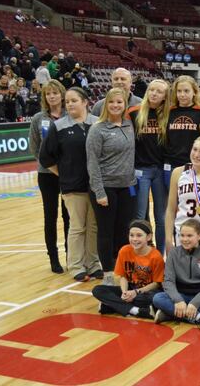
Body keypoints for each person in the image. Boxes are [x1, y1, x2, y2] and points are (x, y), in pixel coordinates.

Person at [39, 87, 102, 282]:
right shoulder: (58, 127)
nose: (70, 104)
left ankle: (93, 263)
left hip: (96, 186)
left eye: (74, 100)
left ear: (85, 102)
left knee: (93, 226)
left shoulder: (98, 124)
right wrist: (64, 174)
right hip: (73, 186)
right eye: (67, 101)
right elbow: (45, 157)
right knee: (77, 227)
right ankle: (76, 266)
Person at [87, 87, 136, 285]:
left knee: (124, 230)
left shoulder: (129, 125)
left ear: (125, 105)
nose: (116, 106)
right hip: (105, 188)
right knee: (106, 231)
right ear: (105, 105)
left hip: (127, 187)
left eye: (120, 102)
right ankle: (107, 273)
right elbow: (92, 162)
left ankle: (123, 270)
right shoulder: (98, 129)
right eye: (112, 102)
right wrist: (99, 191)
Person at [29, 80, 70, 273]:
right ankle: (53, 257)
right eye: (48, 94)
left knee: (69, 216)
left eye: (55, 93)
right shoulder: (38, 118)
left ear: (62, 95)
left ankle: (72, 255)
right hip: (47, 175)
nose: (52, 96)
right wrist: (53, 167)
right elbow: (35, 148)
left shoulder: (71, 115)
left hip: (70, 173)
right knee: (50, 216)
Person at [152, 219, 200, 329]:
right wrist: (178, 300)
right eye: (182, 235)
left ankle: (170, 314)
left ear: (199, 236)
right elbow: (168, 281)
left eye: (189, 236)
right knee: (158, 298)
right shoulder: (173, 253)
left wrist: (195, 303)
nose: (185, 239)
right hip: (181, 295)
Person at [127, 80, 171, 255]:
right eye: (151, 90)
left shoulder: (168, 114)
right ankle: (139, 253)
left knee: (161, 217)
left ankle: (158, 254)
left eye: (159, 91)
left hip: (160, 170)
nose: (154, 93)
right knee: (139, 215)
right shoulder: (134, 112)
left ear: (165, 96)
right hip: (140, 171)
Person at [92, 220, 164, 319]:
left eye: (139, 235)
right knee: (98, 290)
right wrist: (124, 292)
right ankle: (136, 311)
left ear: (149, 237)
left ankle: (111, 306)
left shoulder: (156, 256)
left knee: (153, 298)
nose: (134, 239)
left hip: (146, 292)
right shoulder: (124, 251)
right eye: (131, 235)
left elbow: (156, 283)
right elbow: (123, 276)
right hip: (130, 288)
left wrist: (136, 292)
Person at [164, 76, 200, 194]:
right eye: (179, 91)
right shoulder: (169, 111)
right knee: (172, 202)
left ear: (194, 92)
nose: (182, 95)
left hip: (194, 165)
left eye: (186, 91)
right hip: (171, 164)